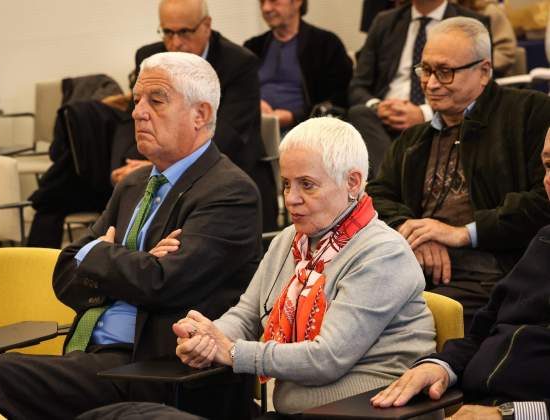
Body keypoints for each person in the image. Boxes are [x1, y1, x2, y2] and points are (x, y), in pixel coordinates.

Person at [0, 52, 263, 420]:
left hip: (153, 369)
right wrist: (135, 261)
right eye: (136, 101)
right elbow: (66, 272)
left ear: (201, 115)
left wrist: (102, 254)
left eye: (156, 101)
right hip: (94, 358)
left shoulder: (229, 192)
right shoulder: (133, 183)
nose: (137, 113)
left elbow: (161, 282)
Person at [172, 117, 436, 415]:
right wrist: (207, 338)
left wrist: (233, 352)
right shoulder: (289, 240)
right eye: (286, 184)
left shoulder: (383, 253)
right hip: (302, 411)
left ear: (352, 182)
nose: (291, 199)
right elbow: (246, 315)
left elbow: (327, 358)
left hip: (370, 409)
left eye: (306, 185)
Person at [366, 17, 550, 329]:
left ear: (484, 71)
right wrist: (415, 231)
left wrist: (463, 233)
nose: (432, 83)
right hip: (416, 264)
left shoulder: (530, 113)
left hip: (495, 268)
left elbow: (541, 201)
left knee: (405, 321)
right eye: (425, 70)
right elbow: (376, 196)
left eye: (445, 71)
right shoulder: (414, 139)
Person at [371, 128, 550, 420]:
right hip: (474, 402)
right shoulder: (544, 241)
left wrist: (509, 414)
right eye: (548, 165)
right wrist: (440, 366)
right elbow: (482, 331)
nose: (549, 180)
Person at [109, 0, 278, 231]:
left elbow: (227, 134)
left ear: (206, 25)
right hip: (161, 168)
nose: (176, 42)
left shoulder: (239, 62)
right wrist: (129, 166)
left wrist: (150, 165)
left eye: (185, 32)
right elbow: (133, 117)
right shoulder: (150, 57)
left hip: (230, 168)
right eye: (168, 32)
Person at [347, 0, 487, 178]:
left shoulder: (470, 24)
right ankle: (394, 179)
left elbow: (480, 89)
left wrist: (424, 113)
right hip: (384, 117)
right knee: (359, 113)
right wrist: (378, 107)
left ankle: (391, 182)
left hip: (438, 114)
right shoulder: (385, 21)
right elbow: (358, 85)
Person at [244, 0, 353, 130]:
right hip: (255, 126)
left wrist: (294, 117)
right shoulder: (253, 46)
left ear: (297, 2)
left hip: (306, 130)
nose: (266, 8)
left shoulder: (326, 44)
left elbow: (340, 99)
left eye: (273, 1)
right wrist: (255, 103)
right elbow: (237, 91)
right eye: (262, 2)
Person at [456, 0, 517, 77]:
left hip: (486, 76)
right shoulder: (449, 11)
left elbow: (505, 53)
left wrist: (476, 67)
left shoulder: (490, 12)